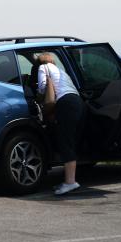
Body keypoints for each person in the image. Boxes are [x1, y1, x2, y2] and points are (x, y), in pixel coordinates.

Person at [36, 52, 84, 196]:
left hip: (66, 103)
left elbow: (43, 87)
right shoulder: (60, 71)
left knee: (65, 141)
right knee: (69, 139)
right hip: (77, 102)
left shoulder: (43, 67)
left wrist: (39, 97)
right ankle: (67, 181)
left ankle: (71, 182)